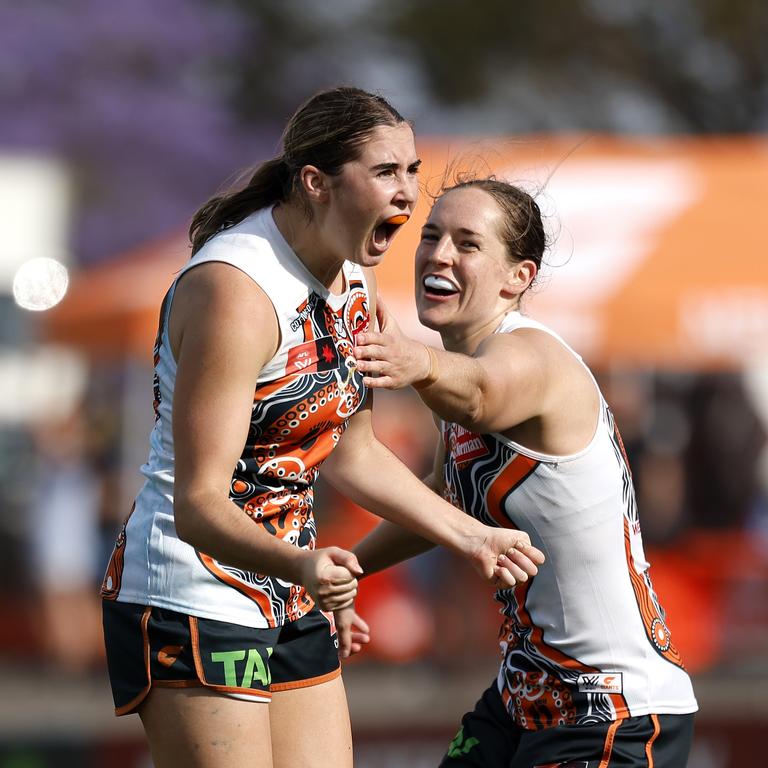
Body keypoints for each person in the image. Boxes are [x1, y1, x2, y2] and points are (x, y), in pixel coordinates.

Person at [99, 90, 544, 768]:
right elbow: (197, 505)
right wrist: (303, 563)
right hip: (190, 591)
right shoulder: (235, 292)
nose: (407, 196)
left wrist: (472, 536)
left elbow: (354, 455)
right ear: (315, 182)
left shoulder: (353, 279)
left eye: (412, 171)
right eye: (386, 172)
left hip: (286, 586)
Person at [351, 177, 698, 767]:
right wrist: (346, 570)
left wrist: (414, 360)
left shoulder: (531, 355)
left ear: (519, 277)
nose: (438, 254)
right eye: (431, 236)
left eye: (467, 243)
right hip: (523, 699)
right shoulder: (459, 369)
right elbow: (446, 500)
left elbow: (483, 396)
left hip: (611, 711)